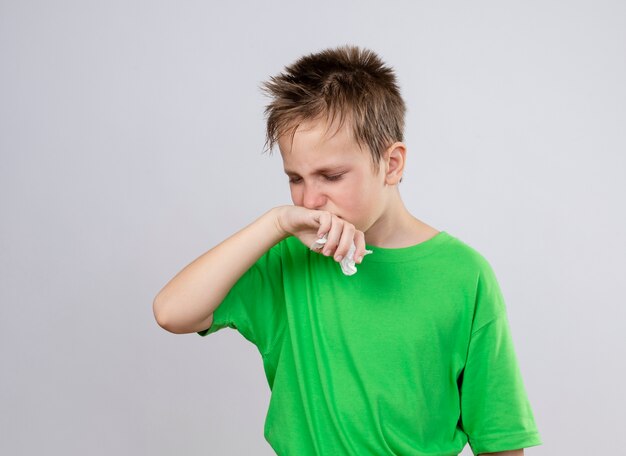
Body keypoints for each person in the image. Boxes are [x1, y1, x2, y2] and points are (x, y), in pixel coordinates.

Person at [153, 44, 542, 456]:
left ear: (391, 164)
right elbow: (172, 312)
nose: (310, 200)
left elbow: (500, 440)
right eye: (295, 178)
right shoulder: (287, 260)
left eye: (331, 176)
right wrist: (276, 223)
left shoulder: (465, 275)